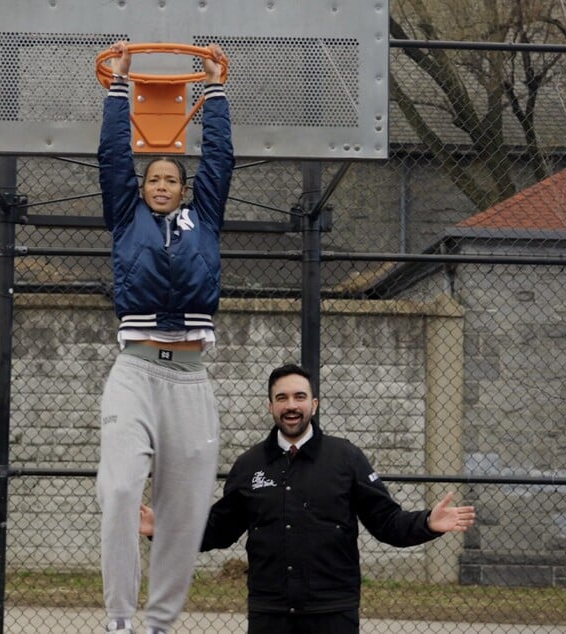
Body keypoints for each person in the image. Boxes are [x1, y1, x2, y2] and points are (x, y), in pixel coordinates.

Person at [139, 364, 476, 634]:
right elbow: (216, 529)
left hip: (332, 610)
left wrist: (428, 522)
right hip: (269, 611)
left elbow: (387, 522)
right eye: (282, 398)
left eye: (299, 397)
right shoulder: (250, 465)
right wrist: (163, 527)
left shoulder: (346, 458)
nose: (291, 406)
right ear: (270, 406)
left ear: (313, 404)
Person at [95, 40, 234, 634]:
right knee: (122, 490)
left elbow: (221, 159)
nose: (160, 184)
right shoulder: (126, 218)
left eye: (171, 178)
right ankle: (120, 620)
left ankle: (160, 624)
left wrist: (215, 91)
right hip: (135, 370)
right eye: (152, 177)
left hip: (190, 377)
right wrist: (119, 89)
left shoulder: (204, 218)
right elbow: (110, 158)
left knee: (184, 514)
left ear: (183, 189)